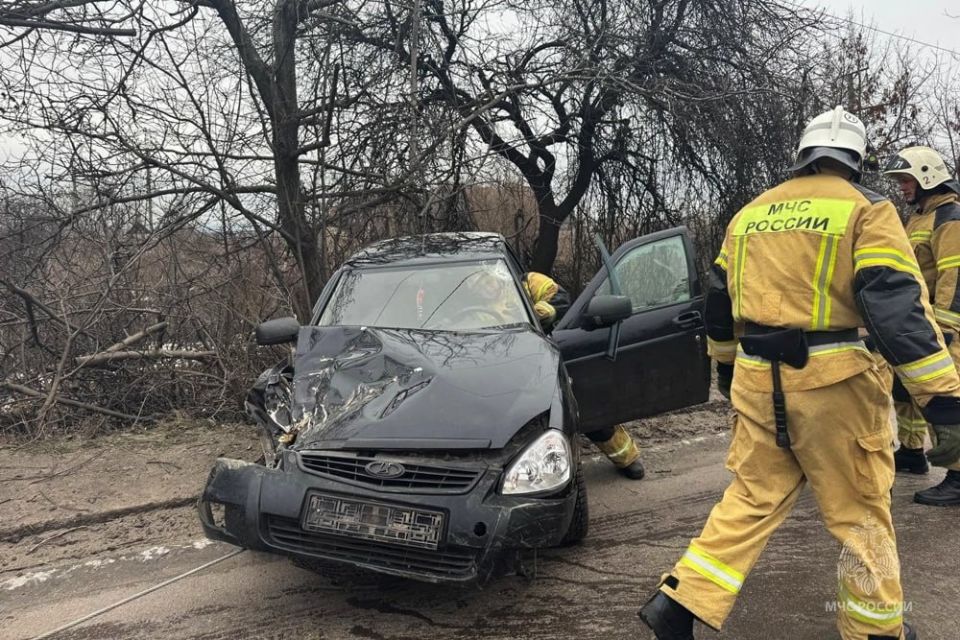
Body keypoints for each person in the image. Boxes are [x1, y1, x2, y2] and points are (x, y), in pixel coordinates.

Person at [638, 106, 960, 640]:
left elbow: (717, 305)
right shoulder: (867, 210)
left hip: (757, 378)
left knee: (751, 497)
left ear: (805, 155)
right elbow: (896, 308)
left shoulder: (751, 213)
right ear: (855, 159)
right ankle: (877, 631)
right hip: (835, 385)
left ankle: (679, 603)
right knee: (860, 513)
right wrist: (942, 395)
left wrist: (724, 369)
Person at [469, 265, 647, 479]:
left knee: (584, 404)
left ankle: (626, 458)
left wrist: (545, 311)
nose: (487, 286)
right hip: (510, 366)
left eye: (488, 280)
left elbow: (560, 298)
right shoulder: (473, 306)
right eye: (480, 284)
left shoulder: (528, 282)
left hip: (548, 355)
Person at [882, 146, 960, 505]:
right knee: (907, 392)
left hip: (943, 326)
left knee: (943, 400)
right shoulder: (920, 216)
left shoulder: (950, 217)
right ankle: (912, 453)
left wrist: (946, 330)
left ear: (928, 176)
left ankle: (958, 475)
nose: (902, 187)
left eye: (906, 179)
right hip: (917, 322)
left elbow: (954, 276)